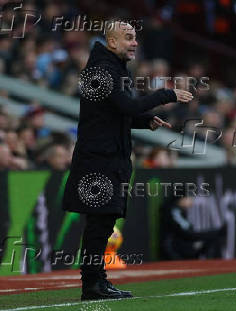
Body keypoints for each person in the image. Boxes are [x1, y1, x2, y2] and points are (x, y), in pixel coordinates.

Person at [62, 20, 193, 301]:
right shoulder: (101, 70)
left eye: (135, 37)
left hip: (109, 156)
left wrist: (144, 121)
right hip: (98, 159)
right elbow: (127, 106)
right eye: (129, 37)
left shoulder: (112, 67)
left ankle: (98, 281)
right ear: (112, 42)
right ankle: (91, 285)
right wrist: (166, 94)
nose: (135, 43)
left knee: (105, 222)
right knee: (99, 224)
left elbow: (115, 114)